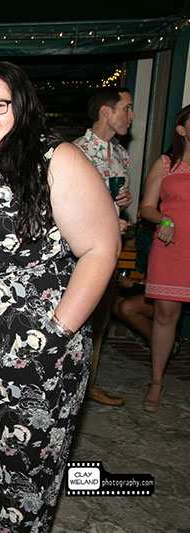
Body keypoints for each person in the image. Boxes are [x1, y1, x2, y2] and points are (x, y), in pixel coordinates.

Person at [0, 62, 120, 532]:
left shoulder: (57, 159)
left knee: (25, 477)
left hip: (35, 354)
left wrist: (57, 331)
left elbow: (101, 247)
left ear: (22, 106)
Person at [72, 87, 135, 406]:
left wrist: (121, 206)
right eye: (126, 108)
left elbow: (116, 200)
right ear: (106, 112)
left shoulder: (122, 153)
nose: (131, 116)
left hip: (110, 247)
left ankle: (89, 384)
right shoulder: (76, 151)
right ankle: (73, 385)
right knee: (79, 316)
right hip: (80, 252)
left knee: (101, 319)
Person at [140, 104, 190, 411]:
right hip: (171, 249)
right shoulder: (167, 163)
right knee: (164, 317)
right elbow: (146, 207)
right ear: (182, 130)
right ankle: (156, 383)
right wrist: (164, 219)